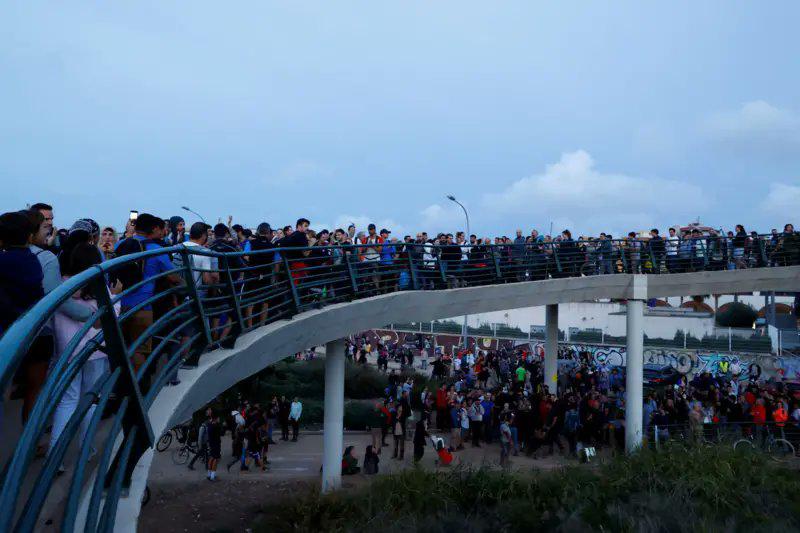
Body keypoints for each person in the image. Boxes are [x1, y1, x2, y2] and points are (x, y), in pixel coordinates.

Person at [49, 242, 113, 470]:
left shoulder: (62, 286)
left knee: (66, 402)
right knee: (90, 401)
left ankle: (55, 458)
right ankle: (87, 449)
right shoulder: (99, 286)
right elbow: (110, 317)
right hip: (96, 351)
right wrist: (118, 296)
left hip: (66, 352)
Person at [0, 211, 45, 422]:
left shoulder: (4, 261)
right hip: (34, 329)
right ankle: (29, 443)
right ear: (29, 236)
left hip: (6, 332)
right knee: (34, 389)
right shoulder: (34, 261)